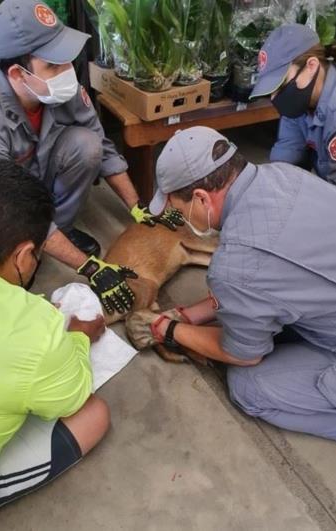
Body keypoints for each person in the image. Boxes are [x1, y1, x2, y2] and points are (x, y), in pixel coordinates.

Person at [0, 0, 185, 314]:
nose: (67, 72)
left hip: (31, 167)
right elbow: (7, 205)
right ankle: (35, 244)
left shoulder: (58, 86)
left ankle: (59, 230)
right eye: (53, 65)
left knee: (86, 145)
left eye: (67, 60)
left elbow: (100, 142)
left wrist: (137, 207)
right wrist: (90, 267)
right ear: (18, 73)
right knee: (3, 265)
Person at [125, 126, 336, 441]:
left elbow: (244, 353)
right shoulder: (283, 175)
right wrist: (191, 315)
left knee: (248, 386)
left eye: (178, 210)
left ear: (200, 198)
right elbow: (270, 283)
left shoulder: (237, 266)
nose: (179, 218)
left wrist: (166, 329)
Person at [0, 159, 110, 530]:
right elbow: (71, 397)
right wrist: (79, 336)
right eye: (37, 254)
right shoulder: (37, 330)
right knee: (94, 414)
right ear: (23, 255)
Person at [250, 24, 336, 184]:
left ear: (311, 66)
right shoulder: (301, 104)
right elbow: (287, 155)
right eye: (272, 90)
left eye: (282, 85)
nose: (275, 97)